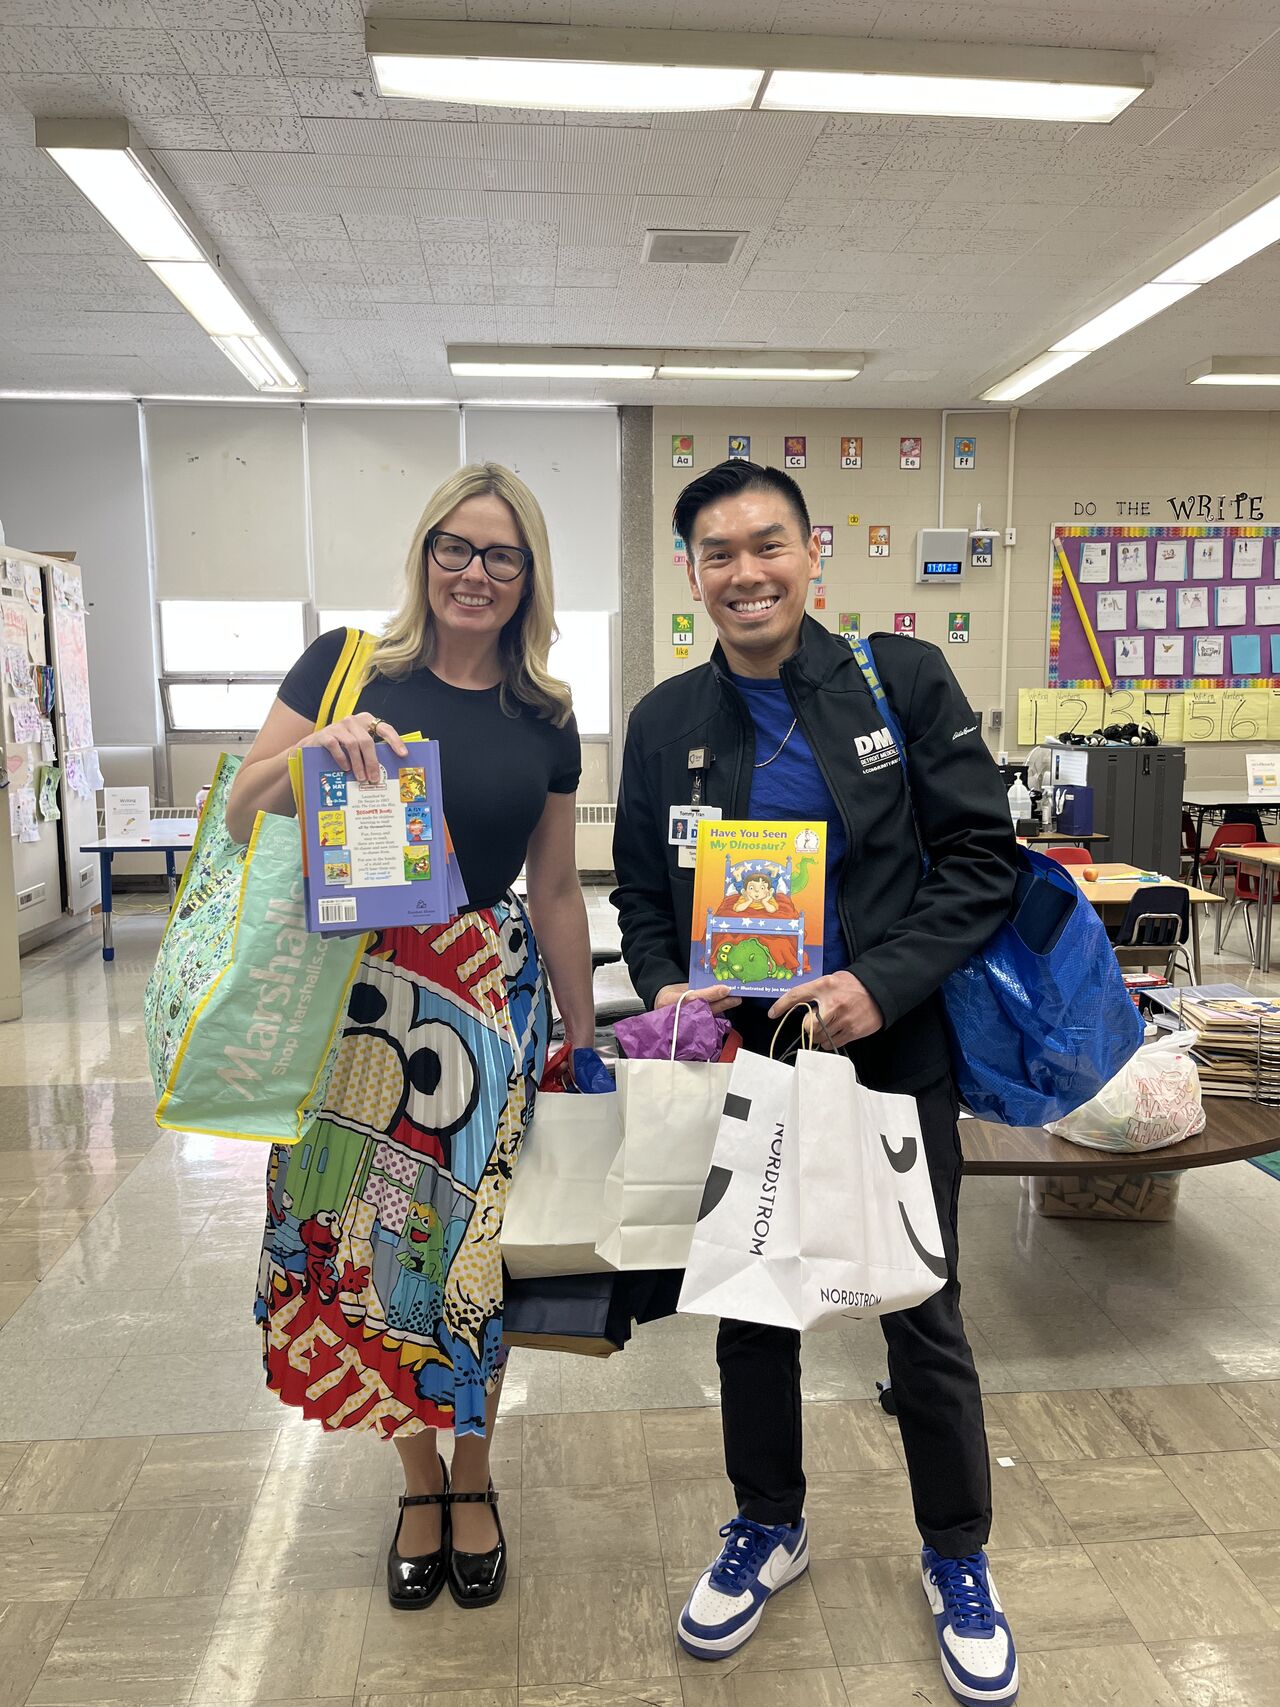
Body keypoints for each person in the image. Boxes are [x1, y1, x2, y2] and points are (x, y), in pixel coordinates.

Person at [611, 459, 1021, 1704]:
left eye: (766, 545)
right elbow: (638, 891)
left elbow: (978, 862)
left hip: (890, 1051)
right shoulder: (667, 720)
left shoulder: (898, 684)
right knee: (749, 1303)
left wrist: (878, 982)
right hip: (748, 1056)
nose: (746, 572)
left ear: (810, 554)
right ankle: (767, 1521)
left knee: (922, 1307)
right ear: (691, 576)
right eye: (718, 554)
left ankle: (956, 1556)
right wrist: (670, 978)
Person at [227, 462, 594, 1615]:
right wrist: (315, 752)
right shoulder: (348, 668)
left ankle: (473, 1477)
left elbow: (556, 885)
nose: (472, 573)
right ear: (422, 554)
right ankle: (415, 1479)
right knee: (370, 1243)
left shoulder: (545, 708)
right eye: (454, 547)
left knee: (473, 1256)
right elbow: (240, 808)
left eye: (499, 555)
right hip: (356, 1006)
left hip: (488, 1008)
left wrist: (581, 1032)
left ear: (528, 575)